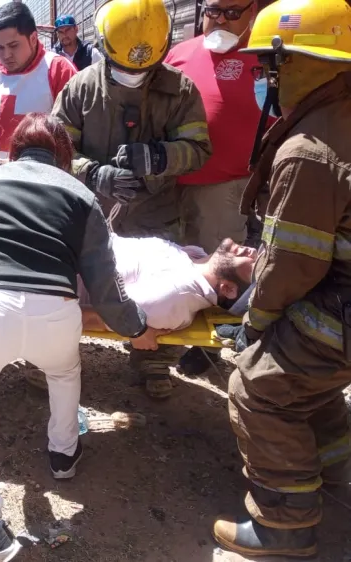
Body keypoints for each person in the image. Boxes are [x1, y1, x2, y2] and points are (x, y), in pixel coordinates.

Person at [0, 113, 160, 562]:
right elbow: (107, 289)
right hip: (56, 312)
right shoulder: (81, 195)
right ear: (62, 155)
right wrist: (138, 328)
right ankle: (63, 458)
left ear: (14, 148)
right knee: (64, 371)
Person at [210, 0, 351, 557]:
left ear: (310, 62)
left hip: (337, 302)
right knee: (307, 386)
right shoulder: (340, 117)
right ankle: (334, 474)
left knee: (259, 386)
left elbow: (294, 264)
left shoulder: (310, 151)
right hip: (340, 299)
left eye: (275, 65)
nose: (269, 79)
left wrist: (256, 319)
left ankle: (284, 526)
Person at [52, 0, 212, 400]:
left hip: (155, 212)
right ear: (104, 47)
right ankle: (55, 359)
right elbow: (55, 148)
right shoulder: (81, 87)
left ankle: (153, 362)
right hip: (92, 212)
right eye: (125, 67)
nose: (134, 75)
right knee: (78, 286)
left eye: (144, 69)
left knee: (159, 292)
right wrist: (93, 173)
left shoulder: (180, 90)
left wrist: (160, 157)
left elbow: (198, 147)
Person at [0, 196, 256, 331]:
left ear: (229, 290)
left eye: (253, 265)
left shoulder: (177, 297)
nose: (251, 251)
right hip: (65, 243)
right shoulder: (195, 262)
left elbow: (110, 317)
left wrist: (137, 333)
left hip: (52, 261)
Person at [165, 0, 269, 376]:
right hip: (169, 184)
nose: (219, 20)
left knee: (219, 270)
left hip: (225, 186)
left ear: (252, 12)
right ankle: (158, 344)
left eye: (231, 12)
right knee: (172, 264)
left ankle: (202, 347)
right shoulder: (179, 54)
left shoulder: (264, 57)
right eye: (213, 10)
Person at [0, 2, 77, 169]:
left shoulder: (59, 70)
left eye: (14, 46)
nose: (6, 55)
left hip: (44, 185)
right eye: (0, 47)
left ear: (33, 39)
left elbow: (74, 137)